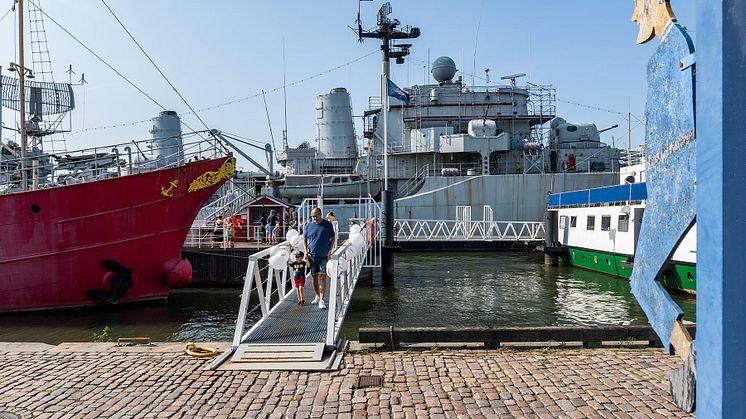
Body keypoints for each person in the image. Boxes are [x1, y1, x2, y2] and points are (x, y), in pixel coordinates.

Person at [303, 207, 336, 309]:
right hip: (312, 256)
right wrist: (305, 251)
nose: (314, 218)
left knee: (322, 277)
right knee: (314, 278)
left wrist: (330, 250)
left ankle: (322, 300)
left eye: (316, 215)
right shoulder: (308, 225)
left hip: (324, 256)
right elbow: (304, 239)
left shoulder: (328, 225)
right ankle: (317, 295)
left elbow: (333, 238)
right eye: (312, 216)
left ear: (320, 214)